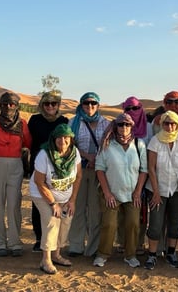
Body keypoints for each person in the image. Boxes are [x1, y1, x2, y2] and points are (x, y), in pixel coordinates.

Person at [93, 113, 147, 268]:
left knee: (133, 224)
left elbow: (144, 170)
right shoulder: (107, 144)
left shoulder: (139, 145)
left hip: (132, 194)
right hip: (111, 192)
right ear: (115, 126)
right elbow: (100, 169)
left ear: (132, 127)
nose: (124, 128)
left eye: (127, 125)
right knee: (109, 224)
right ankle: (103, 254)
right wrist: (107, 193)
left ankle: (130, 255)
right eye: (121, 124)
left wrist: (138, 191)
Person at [30, 124, 82, 274]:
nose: (63, 140)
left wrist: (72, 200)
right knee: (52, 220)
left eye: (66, 137)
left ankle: (56, 254)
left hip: (65, 195)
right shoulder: (44, 155)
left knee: (66, 221)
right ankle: (45, 260)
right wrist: (53, 204)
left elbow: (78, 177)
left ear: (71, 139)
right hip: (43, 194)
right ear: (54, 139)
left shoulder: (75, 153)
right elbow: (39, 181)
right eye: (59, 137)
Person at [0, 92, 32, 257]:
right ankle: (0, 243)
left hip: (16, 164)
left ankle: (14, 242)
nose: (8, 107)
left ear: (17, 105)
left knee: (14, 204)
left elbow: (27, 143)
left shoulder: (23, 124)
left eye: (12, 104)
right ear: (0, 105)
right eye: (5, 104)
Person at [144, 110, 178, 270]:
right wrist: (156, 192)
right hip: (158, 189)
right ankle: (152, 255)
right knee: (156, 224)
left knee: (175, 222)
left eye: (173, 123)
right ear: (162, 124)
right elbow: (151, 167)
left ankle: (171, 253)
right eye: (166, 123)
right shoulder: (155, 141)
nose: (170, 126)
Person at [68, 92, 110, 257]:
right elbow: (68, 144)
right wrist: (86, 156)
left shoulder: (106, 123)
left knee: (95, 210)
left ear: (98, 105)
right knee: (77, 207)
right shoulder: (73, 122)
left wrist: (97, 159)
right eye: (86, 103)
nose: (90, 107)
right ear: (81, 105)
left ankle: (93, 247)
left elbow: (109, 144)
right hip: (78, 168)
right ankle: (76, 245)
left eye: (93, 104)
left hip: (98, 171)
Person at [28, 91, 69, 252]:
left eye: (54, 104)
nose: (50, 107)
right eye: (47, 104)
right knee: (38, 202)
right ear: (42, 105)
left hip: (58, 168)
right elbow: (29, 141)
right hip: (38, 166)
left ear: (58, 105)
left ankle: (55, 241)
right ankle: (39, 239)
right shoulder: (35, 120)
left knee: (57, 201)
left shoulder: (63, 121)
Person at [116, 96, 152, 255]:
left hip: (144, 174)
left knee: (141, 212)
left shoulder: (150, 128)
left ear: (141, 108)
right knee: (122, 211)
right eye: (128, 109)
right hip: (122, 175)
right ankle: (123, 243)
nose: (132, 112)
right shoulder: (118, 127)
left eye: (135, 108)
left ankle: (139, 243)